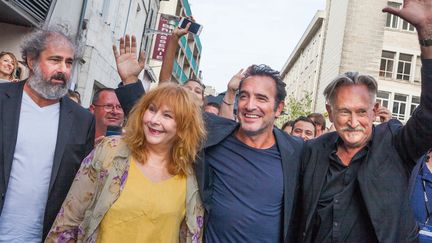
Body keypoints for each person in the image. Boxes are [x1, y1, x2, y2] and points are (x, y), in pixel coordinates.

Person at [296, 2, 432, 240]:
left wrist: (427, 34)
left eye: (361, 111)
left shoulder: (395, 145)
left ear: (375, 110)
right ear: (329, 112)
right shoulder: (313, 151)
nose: (353, 121)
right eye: (344, 111)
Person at [46, 83, 206, 242]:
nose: (154, 120)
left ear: (184, 126)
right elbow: (68, 221)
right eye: (152, 109)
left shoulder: (190, 176)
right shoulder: (110, 151)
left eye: (167, 115)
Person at [0, 27, 95, 241]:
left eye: (69, 62)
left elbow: (82, 185)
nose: (63, 69)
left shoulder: (82, 120)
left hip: (44, 236)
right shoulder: (2, 100)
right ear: (31, 61)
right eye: (55, 60)